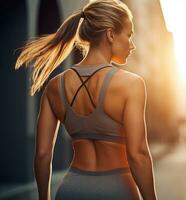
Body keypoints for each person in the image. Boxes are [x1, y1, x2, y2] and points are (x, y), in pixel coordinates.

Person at [15, 0, 157, 199]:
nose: (132, 45)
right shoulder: (131, 84)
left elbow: (42, 154)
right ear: (110, 34)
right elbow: (138, 154)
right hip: (117, 191)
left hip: (71, 190)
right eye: (129, 34)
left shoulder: (55, 86)